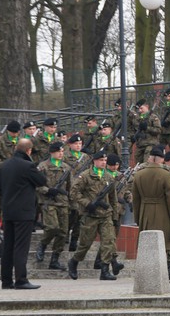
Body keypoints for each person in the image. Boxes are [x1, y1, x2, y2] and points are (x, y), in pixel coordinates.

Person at [0, 138, 47, 290]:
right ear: (28, 151)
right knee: (21, 247)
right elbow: (41, 181)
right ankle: (21, 280)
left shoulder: (4, 165)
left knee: (8, 246)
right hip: (23, 213)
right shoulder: (28, 165)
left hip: (8, 211)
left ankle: (6, 281)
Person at [68, 150, 120, 281]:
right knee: (85, 245)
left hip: (105, 215)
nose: (103, 163)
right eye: (101, 160)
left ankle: (105, 270)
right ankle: (74, 262)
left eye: (105, 161)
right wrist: (87, 203)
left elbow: (113, 199)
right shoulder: (85, 176)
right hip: (90, 215)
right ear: (94, 161)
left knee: (108, 242)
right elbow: (74, 193)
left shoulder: (108, 177)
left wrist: (114, 216)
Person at [133, 145, 170, 280]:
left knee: (146, 243)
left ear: (149, 158)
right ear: (161, 159)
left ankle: (147, 273)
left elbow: (135, 200)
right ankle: (166, 271)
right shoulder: (166, 175)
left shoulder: (139, 174)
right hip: (162, 212)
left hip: (144, 211)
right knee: (164, 242)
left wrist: (138, 217)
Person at [35, 141, 71, 271]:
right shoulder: (43, 166)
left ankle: (55, 259)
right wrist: (48, 191)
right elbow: (37, 184)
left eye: (62, 151)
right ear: (52, 152)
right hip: (48, 201)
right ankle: (43, 244)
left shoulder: (66, 168)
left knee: (63, 232)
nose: (61, 154)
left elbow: (70, 186)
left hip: (63, 202)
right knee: (52, 227)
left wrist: (70, 201)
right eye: (58, 151)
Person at [130, 99, 161, 165]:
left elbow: (158, 130)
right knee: (138, 164)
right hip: (140, 144)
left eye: (141, 108)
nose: (140, 111)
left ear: (147, 106)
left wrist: (147, 128)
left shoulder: (153, 117)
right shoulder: (137, 118)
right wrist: (134, 136)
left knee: (146, 163)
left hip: (150, 144)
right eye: (139, 109)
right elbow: (134, 129)